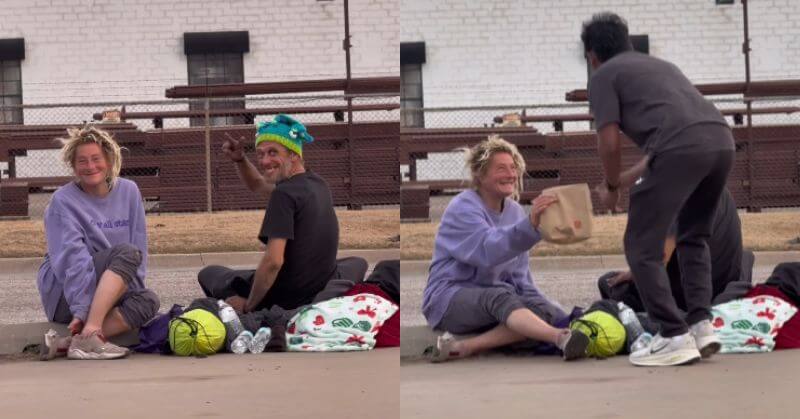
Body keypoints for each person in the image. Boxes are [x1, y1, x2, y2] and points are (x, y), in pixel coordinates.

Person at [583, 12, 735, 366]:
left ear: (592, 56)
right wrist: (622, 180)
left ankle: (672, 335)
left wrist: (610, 187)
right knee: (693, 236)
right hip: (720, 140)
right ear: (629, 42)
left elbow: (608, 141)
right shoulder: (661, 67)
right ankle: (700, 326)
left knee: (641, 245)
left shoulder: (604, 75)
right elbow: (658, 154)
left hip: (681, 148)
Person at [422, 135, 590, 362]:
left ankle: (466, 347)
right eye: (501, 168)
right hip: (449, 299)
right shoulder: (462, 208)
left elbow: (520, 279)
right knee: (500, 297)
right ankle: (560, 338)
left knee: (544, 311)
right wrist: (530, 225)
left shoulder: (515, 212)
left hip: (497, 301)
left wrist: (553, 312)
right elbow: (488, 250)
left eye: (513, 168)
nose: (511, 174)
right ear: (480, 174)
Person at [197, 115, 367, 314]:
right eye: (260, 154)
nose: (265, 160)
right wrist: (241, 159)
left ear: (294, 154)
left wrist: (249, 305)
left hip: (287, 296)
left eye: (273, 153)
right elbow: (258, 184)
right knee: (357, 263)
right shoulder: (317, 184)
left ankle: (252, 309)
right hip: (319, 285)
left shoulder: (284, 194)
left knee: (209, 273)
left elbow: (273, 262)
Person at [38, 125, 160, 360]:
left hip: (105, 290)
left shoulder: (130, 191)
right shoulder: (62, 201)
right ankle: (92, 330)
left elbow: (139, 245)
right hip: (67, 294)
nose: (90, 166)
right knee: (127, 253)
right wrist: (82, 310)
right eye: (82, 161)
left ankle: (77, 342)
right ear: (73, 166)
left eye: (96, 159)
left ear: (109, 159)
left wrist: (132, 292)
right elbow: (72, 261)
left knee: (148, 301)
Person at [598, 186, 753, 315]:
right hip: (725, 284)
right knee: (746, 256)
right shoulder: (718, 186)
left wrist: (634, 275)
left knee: (609, 283)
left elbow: (659, 258)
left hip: (692, 295)